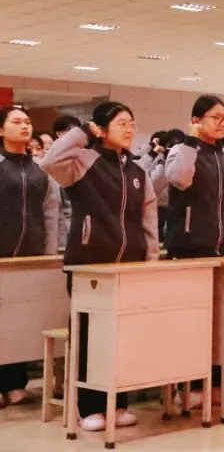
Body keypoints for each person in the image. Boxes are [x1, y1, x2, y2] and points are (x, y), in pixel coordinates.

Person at [41, 101, 158, 432]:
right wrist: (81, 132)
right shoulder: (82, 161)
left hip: (128, 267)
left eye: (132, 123)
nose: (129, 129)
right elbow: (49, 161)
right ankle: (88, 405)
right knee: (89, 337)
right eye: (122, 123)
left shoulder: (137, 171)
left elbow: (149, 218)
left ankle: (117, 403)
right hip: (88, 265)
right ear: (102, 128)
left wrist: (150, 260)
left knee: (122, 337)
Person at [163, 95, 224, 409]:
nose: (222, 123)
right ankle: (186, 384)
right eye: (216, 117)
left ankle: (213, 382)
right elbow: (179, 179)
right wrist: (190, 141)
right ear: (196, 120)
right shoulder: (181, 150)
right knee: (190, 324)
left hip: (223, 250)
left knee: (218, 324)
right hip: (189, 249)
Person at [0, 107, 61, 408]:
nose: (25, 126)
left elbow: (52, 213)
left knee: (18, 321)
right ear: (1, 130)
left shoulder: (41, 170)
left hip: (30, 258)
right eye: (16, 122)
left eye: (27, 122)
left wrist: (49, 255)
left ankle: (14, 384)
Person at [51, 115, 81, 248]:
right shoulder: (51, 160)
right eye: (71, 131)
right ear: (59, 134)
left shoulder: (83, 157)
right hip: (63, 228)